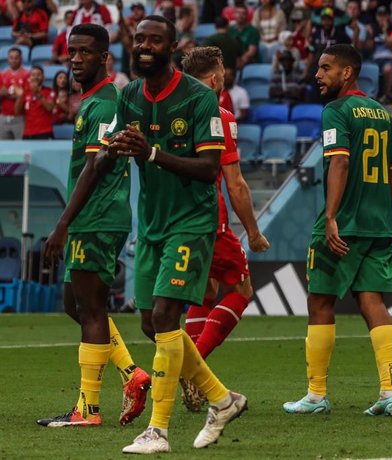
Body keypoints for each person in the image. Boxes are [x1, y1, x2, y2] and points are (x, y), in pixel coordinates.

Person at [103, 16, 246, 453]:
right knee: (150, 322)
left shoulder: (201, 99)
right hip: (152, 223)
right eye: (139, 38)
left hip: (192, 221)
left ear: (172, 46)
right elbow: (112, 151)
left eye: (154, 39)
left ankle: (157, 430)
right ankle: (222, 399)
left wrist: (153, 152)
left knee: (166, 317)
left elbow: (208, 171)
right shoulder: (129, 95)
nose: (144, 45)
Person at [37, 23, 150, 428]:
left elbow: (97, 164)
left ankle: (88, 408)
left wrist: (63, 223)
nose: (76, 59)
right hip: (92, 217)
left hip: (96, 218)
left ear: (105, 57)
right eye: (72, 52)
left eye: (85, 52)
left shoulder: (104, 104)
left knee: (89, 308)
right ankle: (131, 374)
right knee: (77, 303)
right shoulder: (93, 102)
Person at [283, 44, 392, 416]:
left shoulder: (335, 111)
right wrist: (377, 205)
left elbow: (339, 163)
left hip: (342, 225)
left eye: (325, 68)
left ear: (347, 73)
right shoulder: (382, 113)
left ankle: (316, 395)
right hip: (377, 224)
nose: (317, 75)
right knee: (373, 302)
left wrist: (332, 216)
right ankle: (390, 392)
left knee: (320, 301)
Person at [180, 45, 270, 412]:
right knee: (241, 288)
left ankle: (191, 373)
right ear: (217, 78)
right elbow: (235, 183)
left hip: (171, 218)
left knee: (204, 292)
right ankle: (193, 369)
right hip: (207, 217)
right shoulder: (219, 116)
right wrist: (252, 231)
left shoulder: (169, 111)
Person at [370, 5, 392, 104]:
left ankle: (387, 94)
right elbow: (368, 47)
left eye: (384, 15)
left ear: (388, 16)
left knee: (387, 69)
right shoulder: (373, 28)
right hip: (376, 59)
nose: (382, 18)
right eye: (380, 15)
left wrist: (385, 32)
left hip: (391, 58)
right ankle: (373, 95)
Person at [14, 65, 54, 139]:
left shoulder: (49, 91)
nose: (36, 77)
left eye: (38, 74)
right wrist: (19, 97)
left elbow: (50, 108)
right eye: (33, 75)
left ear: (43, 77)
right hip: (28, 133)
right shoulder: (25, 92)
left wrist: (37, 94)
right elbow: (17, 112)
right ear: (30, 77)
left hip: (44, 132)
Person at [0, 47, 30, 139]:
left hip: (20, 117)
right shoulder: (2, 75)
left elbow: (27, 95)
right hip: (4, 116)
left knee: (20, 147)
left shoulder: (27, 75)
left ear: (21, 59)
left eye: (16, 58)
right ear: (8, 59)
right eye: (11, 57)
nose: (13, 60)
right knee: (3, 149)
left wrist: (16, 96)